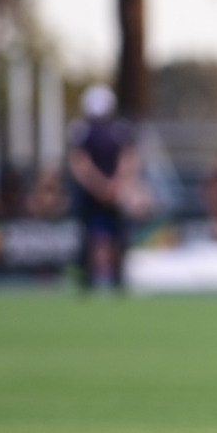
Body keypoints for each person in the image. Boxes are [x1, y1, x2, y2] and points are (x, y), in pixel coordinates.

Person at [67, 84, 139, 291]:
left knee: (117, 235)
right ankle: (90, 278)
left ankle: (116, 278)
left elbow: (127, 158)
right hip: (94, 193)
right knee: (89, 235)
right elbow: (80, 163)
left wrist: (113, 184)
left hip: (109, 191)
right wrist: (105, 185)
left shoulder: (116, 129)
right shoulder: (83, 130)